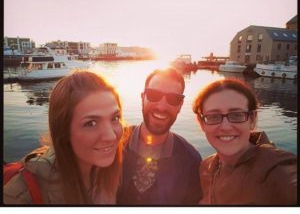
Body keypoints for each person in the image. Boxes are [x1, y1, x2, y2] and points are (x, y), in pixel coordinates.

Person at [4, 71, 126, 204]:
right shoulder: (19, 196)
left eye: (115, 118)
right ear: (64, 130)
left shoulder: (110, 170)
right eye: (91, 123)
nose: (111, 136)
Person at [192, 78, 297, 205]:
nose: (225, 127)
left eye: (236, 115)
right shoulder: (206, 167)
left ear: (252, 120)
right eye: (213, 116)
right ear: (202, 123)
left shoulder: (275, 170)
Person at [117, 67, 202, 205]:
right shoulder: (114, 143)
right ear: (142, 98)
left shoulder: (190, 160)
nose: (161, 106)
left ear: (180, 106)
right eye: (153, 95)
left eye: (173, 99)